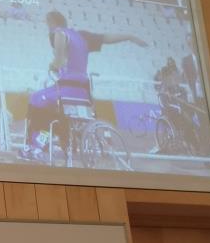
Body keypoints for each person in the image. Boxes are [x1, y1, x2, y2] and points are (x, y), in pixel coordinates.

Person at [22, 10, 147, 161]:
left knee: (36, 99)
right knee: (51, 104)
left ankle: (35, 144)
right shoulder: (83, 36)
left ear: (51, 23)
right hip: (83, 92)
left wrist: (53, 65)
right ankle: (57, 139)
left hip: (67, 89)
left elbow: (59, 61)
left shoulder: (59, 33)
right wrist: (130, 37)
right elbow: (106, 38)